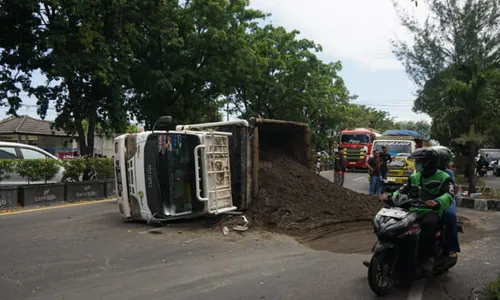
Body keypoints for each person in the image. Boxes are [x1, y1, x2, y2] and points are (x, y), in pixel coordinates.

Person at [363, 148, 454, 272]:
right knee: (392, 225)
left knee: (429, 225)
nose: (416, 164)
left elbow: (448, 195)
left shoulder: (444, 177)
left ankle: (427, 258)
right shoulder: (415, 176)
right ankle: (384, 255)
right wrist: (391, 196)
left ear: (427, 163)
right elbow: (401, 190)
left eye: (418, 162)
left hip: (430, 211)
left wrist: (437, 202)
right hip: (412, 209)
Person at [432, 146, 460, 262]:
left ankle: (452, 248)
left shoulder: (449, 173)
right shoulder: (425, 171)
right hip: (428, 200)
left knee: (449, 216)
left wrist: (439, 201)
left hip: (446, 200)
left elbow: (449, 191)